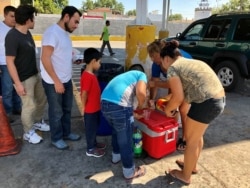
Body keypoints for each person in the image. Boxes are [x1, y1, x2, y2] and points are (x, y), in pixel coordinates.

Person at [160, 40, 225, 186]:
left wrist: (167, 109)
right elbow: (185, 97)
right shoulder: (191, 62)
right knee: (196, 137)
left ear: (166, 58)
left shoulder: (173, 68)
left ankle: (185, 175)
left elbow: (177, 97)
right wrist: (174, 106)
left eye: (161, 63)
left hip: (207, 102)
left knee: (191, 141)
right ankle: (191, 166)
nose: (163, 67)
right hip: (218, 99)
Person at [5, 5, 50, 144]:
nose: (34, 21)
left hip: (34, 74)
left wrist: (38, 72)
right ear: (27, 20)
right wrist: (17, 84)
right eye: (33, 18)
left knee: (42, 100)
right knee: (28, 105)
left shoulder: (27, 33)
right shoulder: (12, 36)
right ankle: (28, 132)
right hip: (23, 79)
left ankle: (37, 122)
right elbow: (9, 61)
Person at [40, 6, 82, 150]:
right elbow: (45, 58)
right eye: (75, 22)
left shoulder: (64, 34)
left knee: (67, 109)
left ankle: (66, 133)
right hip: (53, 82)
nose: (76, 25)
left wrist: (74, 59)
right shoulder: (52, 33)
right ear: (66, 17)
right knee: (56, 111)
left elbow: (62, 54)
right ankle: (56, 138)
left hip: (66, 79)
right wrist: (57, 81)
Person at [101, 70, 147, 180]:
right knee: (126, 140)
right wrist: (141, 105)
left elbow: (121, 105)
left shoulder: (126, 78)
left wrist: (133, 113)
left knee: (116, 131)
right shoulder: (142, 75)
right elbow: (141, 93)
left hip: (104, 104)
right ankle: (129, 171)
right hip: (119, 106)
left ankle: (116, 157)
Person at [147, 39, 191, 151]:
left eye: (153, 55)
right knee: (168, 104)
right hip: (175, 80)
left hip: (188, 81)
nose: (152, 59)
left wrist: (156, 85)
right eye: (150, 56)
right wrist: (152, 100)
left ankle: (185, 138)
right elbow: (155, 83)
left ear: (163, 54)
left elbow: (173, 85)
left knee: (183, 109)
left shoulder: (174, 61)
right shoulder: (156, 64)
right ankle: (173, 127)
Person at [80, 48, 106, 157]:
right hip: (90, 110)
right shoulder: (87, 76)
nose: (100, 64)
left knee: (94, 127)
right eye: (99, 62)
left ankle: (94, 143)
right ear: (93, 61)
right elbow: (84, 93)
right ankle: (90, 149)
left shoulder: (91, 74)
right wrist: (83, 107)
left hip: (95, 108)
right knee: (90, 129)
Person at [0, 6, 21, 122]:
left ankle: (17, 108)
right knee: (7, 89)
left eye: (15, 16)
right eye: (12, 16)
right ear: (5, 15)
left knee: (17, 87)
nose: (14, 19)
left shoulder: (16, 28)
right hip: (4, 63)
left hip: (16, 63)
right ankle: (7, 113)